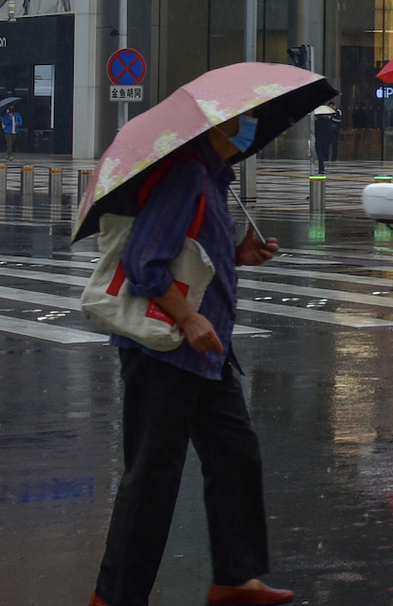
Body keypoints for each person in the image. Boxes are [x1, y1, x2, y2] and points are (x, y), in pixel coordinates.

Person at [89, 115, 292, 606]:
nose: (251, 127)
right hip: (167, 349)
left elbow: (191, 251)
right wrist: (189, 319)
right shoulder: (188, 172)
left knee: (236, 456)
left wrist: (238, 254)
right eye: (244, 120)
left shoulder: (215, 177)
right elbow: (145, 261)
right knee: (152, 476)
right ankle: (115, 597)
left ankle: (235, 580)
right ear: (221, 125)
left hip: (206, 353)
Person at [313, 102, 343, 173]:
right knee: (324, 151)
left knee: (320, 153)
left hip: (319, 139)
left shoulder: (317, 122)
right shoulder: (327, 122)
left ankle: (323, 165)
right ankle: (323, 165)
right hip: (325, 139)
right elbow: (329, 130)